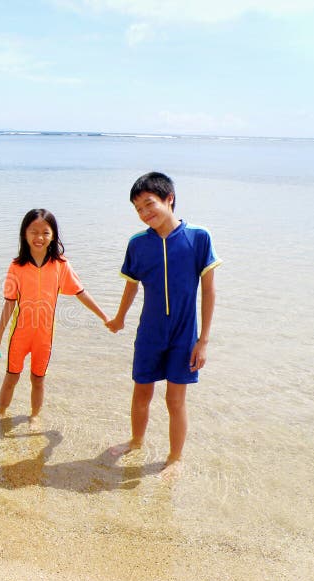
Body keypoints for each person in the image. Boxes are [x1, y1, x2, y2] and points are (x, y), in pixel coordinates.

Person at [106, 172, 222, 476]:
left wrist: (203, 340)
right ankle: (136, 441)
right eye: (139, 209)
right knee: (141, 393)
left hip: (184, 336)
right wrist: (119, 318)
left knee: (175, 400)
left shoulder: (198, 237)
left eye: (149, 204)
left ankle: (174, 458)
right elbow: (131, 285)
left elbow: (209, 290)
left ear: (169, 199)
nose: (145, 214)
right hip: (150, 334)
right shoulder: (138, 244)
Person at [0, 208, 110, 428]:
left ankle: (34, 415)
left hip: (44, 336)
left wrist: (104, 317)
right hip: (20, 334)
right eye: (33, 231)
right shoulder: (16, 266)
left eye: (45, 232)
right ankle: (1, 412)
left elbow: (81, 292)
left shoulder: (61, 265)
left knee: (38, 379)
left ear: (53, 235)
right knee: (12, 377)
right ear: (24, 234)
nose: (39, 237)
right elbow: (9, 303)